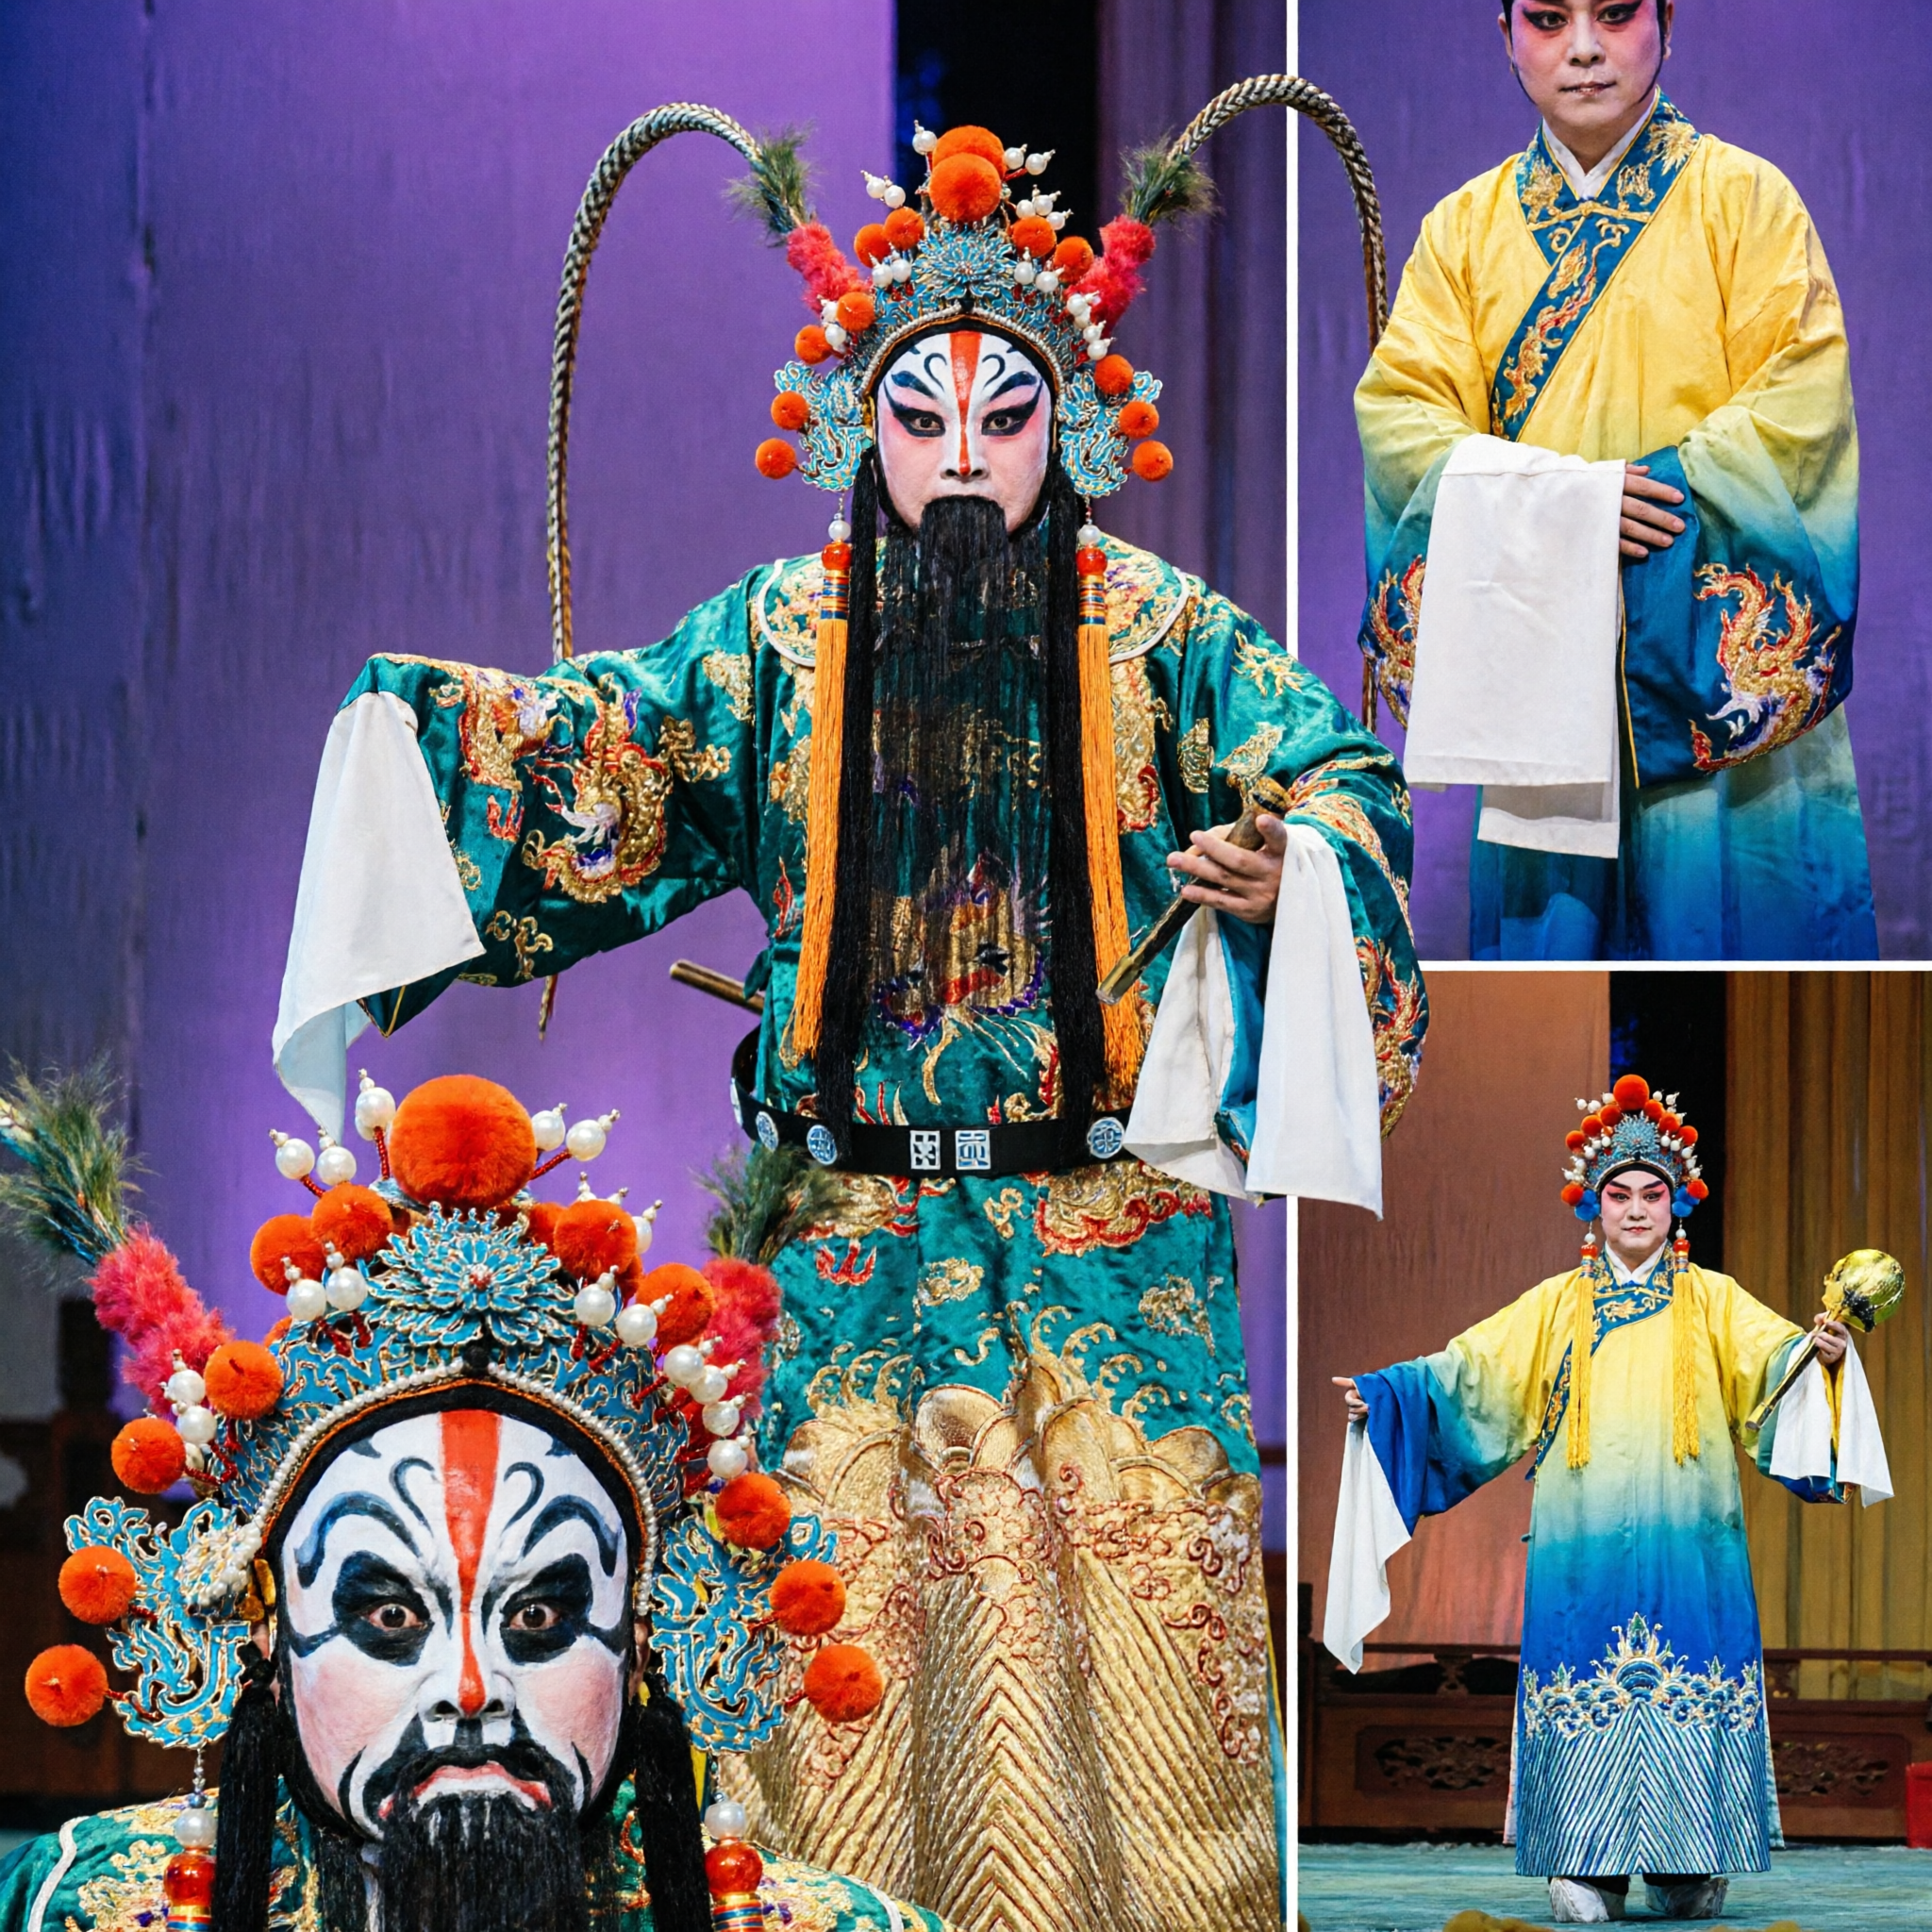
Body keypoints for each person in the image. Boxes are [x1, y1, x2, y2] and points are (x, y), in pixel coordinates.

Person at [269, 108, 1425, 1932]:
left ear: (1073, 422)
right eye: (918, 419)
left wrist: (1302, 863)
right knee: (835, 1673)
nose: (960, 461)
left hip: (1104, 1246)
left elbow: (1344, 774)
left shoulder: (1166, 635)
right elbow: (611, 761)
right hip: (841, 1245)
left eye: (1005, 417)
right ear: (852, 423)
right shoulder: (772, 643)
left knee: (1133, 1676)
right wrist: (439, 741)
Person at [0, 1069, 945, 1932]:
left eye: (538, 1613)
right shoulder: (74, 1904)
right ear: (263, 1635)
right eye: (388, 1612)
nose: (470, 1688)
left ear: (648, 1634)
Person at [1356, 0, 1874, 959]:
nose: (1584, 47)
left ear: (1666, 21)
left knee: (1726, 962)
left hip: (1707, 676)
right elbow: (1400, 422)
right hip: (1539, 669)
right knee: (1549, 1003)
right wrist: (1566, 506)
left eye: (1615, 12)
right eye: (1549, 19)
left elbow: (1797, 413)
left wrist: (1627, 508)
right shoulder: (1460, 233)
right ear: (1502, 33)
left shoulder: (1746, 203)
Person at [1324, 1074, 1891, 1924]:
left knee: (1690, 1684)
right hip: (1579, 1547)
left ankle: (1689, 1860)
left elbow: (1777, 1365)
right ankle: (1581, 1860)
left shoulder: (1714, 1300)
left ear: (1677, 1205)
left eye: (1651, 1194)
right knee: (1581, 1679)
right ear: (1593, 1206)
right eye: (1618, 1194)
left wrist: (1826, 1359)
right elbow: (1471, 1375)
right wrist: (1391, 1397)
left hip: (1690, 1543)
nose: (1634, 1209)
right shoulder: (1556, 1307)